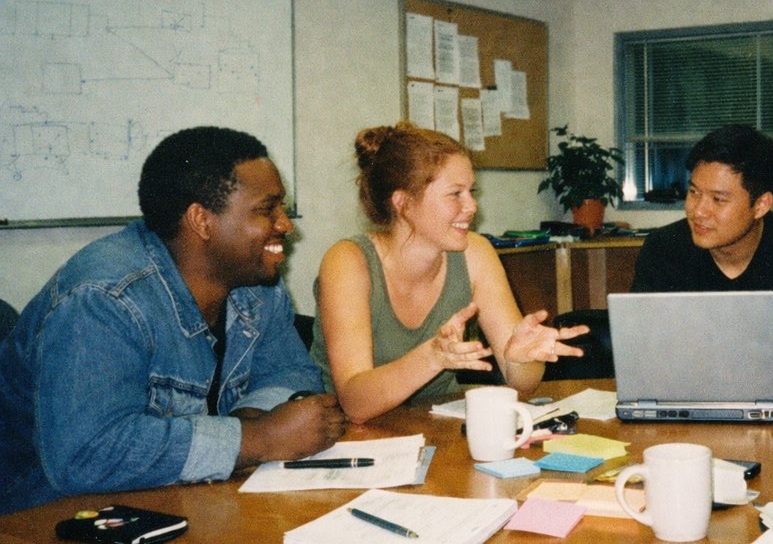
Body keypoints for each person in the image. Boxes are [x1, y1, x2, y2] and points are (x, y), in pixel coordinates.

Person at [0, 127, 347, 515]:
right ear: (202, 220)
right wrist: (256, 439)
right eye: (268, 209)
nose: (286, 224)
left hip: (180, 498)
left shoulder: (255, 283)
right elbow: (86, 454)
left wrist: (252, 421)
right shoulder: (104, 298)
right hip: (39, 512)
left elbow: (292, 372)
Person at [310, 123, 587, 423]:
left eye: (471, 192)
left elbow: (522, 383)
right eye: (455, 193)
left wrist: (521, 359)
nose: (472, 206)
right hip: (350, 433)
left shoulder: (476, 252)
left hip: (435, 421)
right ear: (403, 203)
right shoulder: (348, 261)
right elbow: (354, 404)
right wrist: (431, 357)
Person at [631, 125, 773, 395]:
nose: (698, 211)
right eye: (694, 192)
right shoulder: (663, 248)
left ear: (761, 205)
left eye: (718, 199)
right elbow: (640, 360)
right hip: (688, 403)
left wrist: (728, 360)